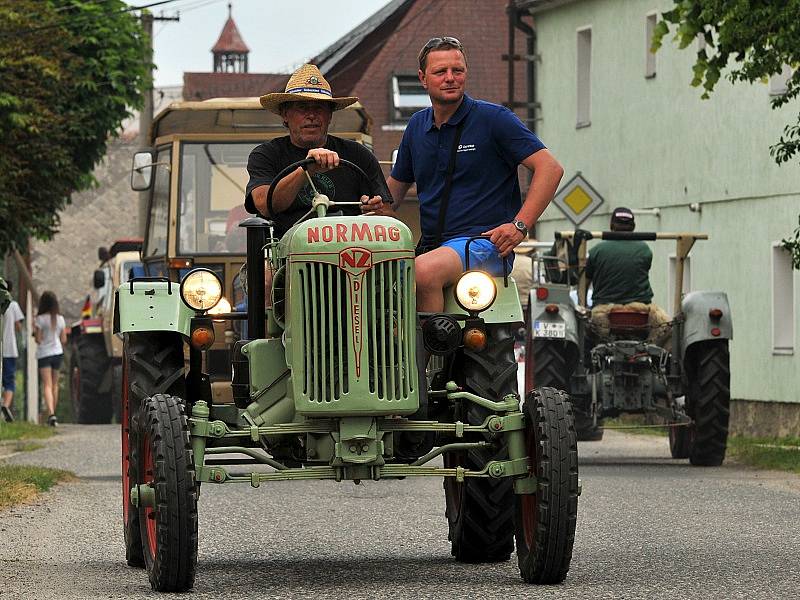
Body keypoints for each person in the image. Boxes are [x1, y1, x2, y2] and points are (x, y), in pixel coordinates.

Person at [363, 36, 564, 312]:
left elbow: (550, 168)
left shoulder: (493, 119)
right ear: (423, 78)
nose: (450, 78)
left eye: (457, 71)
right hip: (432, 246)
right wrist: (371, 206)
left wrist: (519, 226)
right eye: (440, 72)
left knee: (422, 272)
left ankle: (429, 354)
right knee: (371, 283)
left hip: (482, 245)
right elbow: (390, 198)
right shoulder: (416, 127)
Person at [245, 63, 391, 237]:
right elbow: (265, 205)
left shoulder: (358, 155)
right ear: (285, 115)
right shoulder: (266, 155)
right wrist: (307, 169)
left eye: (319, 107)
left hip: (350, 254)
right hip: (284, 258)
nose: (311, 115)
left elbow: (390, 216)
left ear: (330, 115)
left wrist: (375, 211)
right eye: (302, 107)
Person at [585, 207, 671, 346]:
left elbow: (585, 282)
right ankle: (662, 361)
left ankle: (586, 363)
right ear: (633, 226)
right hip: (640, 311)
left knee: (585, 337)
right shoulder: (645, 250)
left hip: (604, 312)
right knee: (666, 328)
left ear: (611, 226)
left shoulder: (596, 251)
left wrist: (584, 306)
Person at [33, 291, 67, 427]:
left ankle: (51, 414)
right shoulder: (60, 319)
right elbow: (64, 339)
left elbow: (38, 339)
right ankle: (53, 415)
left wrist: (36, 334)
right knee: (54, 385)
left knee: (46, 385)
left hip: (44, 354)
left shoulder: (40, 319)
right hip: (57, 353)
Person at [2, 281, 24, 422]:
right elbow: (18, 327)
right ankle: (6, 405)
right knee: (9, 381)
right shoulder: (14, 305)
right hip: (10, 349)